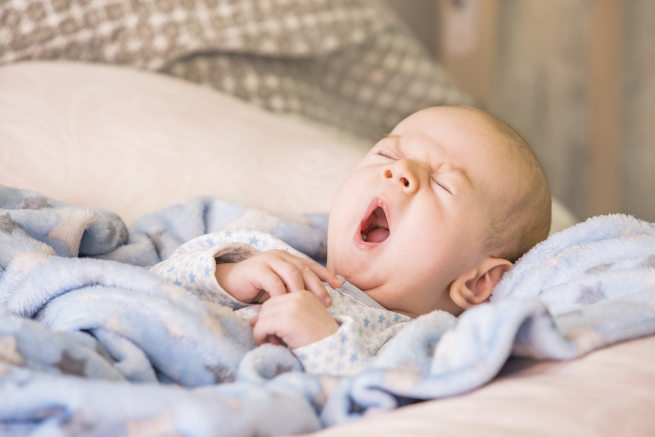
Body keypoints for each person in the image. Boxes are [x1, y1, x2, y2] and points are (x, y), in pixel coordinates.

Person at [150, 105, 551, 375]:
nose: (400, 171)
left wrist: (321, 342)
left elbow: (386, 408)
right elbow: (152, 285)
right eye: (387, 155)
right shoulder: (269, 252)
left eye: (444, 183)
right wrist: (228, 277)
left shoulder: (419, 342)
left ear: (478, 282)